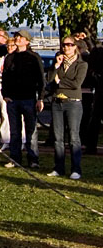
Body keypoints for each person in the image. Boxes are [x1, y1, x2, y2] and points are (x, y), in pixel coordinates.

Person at [1, 28, 45, 169]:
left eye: (20, 37)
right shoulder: (10, 57)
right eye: (16, 37)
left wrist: (41, 98)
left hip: (29, 98)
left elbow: (41, 79)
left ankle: (33, 159)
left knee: (31, 131)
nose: (17, 39)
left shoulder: (34, 57)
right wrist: (5, 95)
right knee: (15, 131)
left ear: (27, 41)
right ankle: (15, 158)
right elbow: (5, 78)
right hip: (13, 99)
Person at [46, 37, 87, 180]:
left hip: (73, 103)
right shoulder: (59, 62)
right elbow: (49, 80)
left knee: (74, 137)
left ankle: (76, 169)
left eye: (70, 45)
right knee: (58, 138)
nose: (67, 47)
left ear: (75, 47)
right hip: (57, 103)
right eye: (64, 45)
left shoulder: (81, 64)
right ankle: (59, 168)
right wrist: (56, 67)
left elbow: (76, 84)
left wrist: (59, 81)